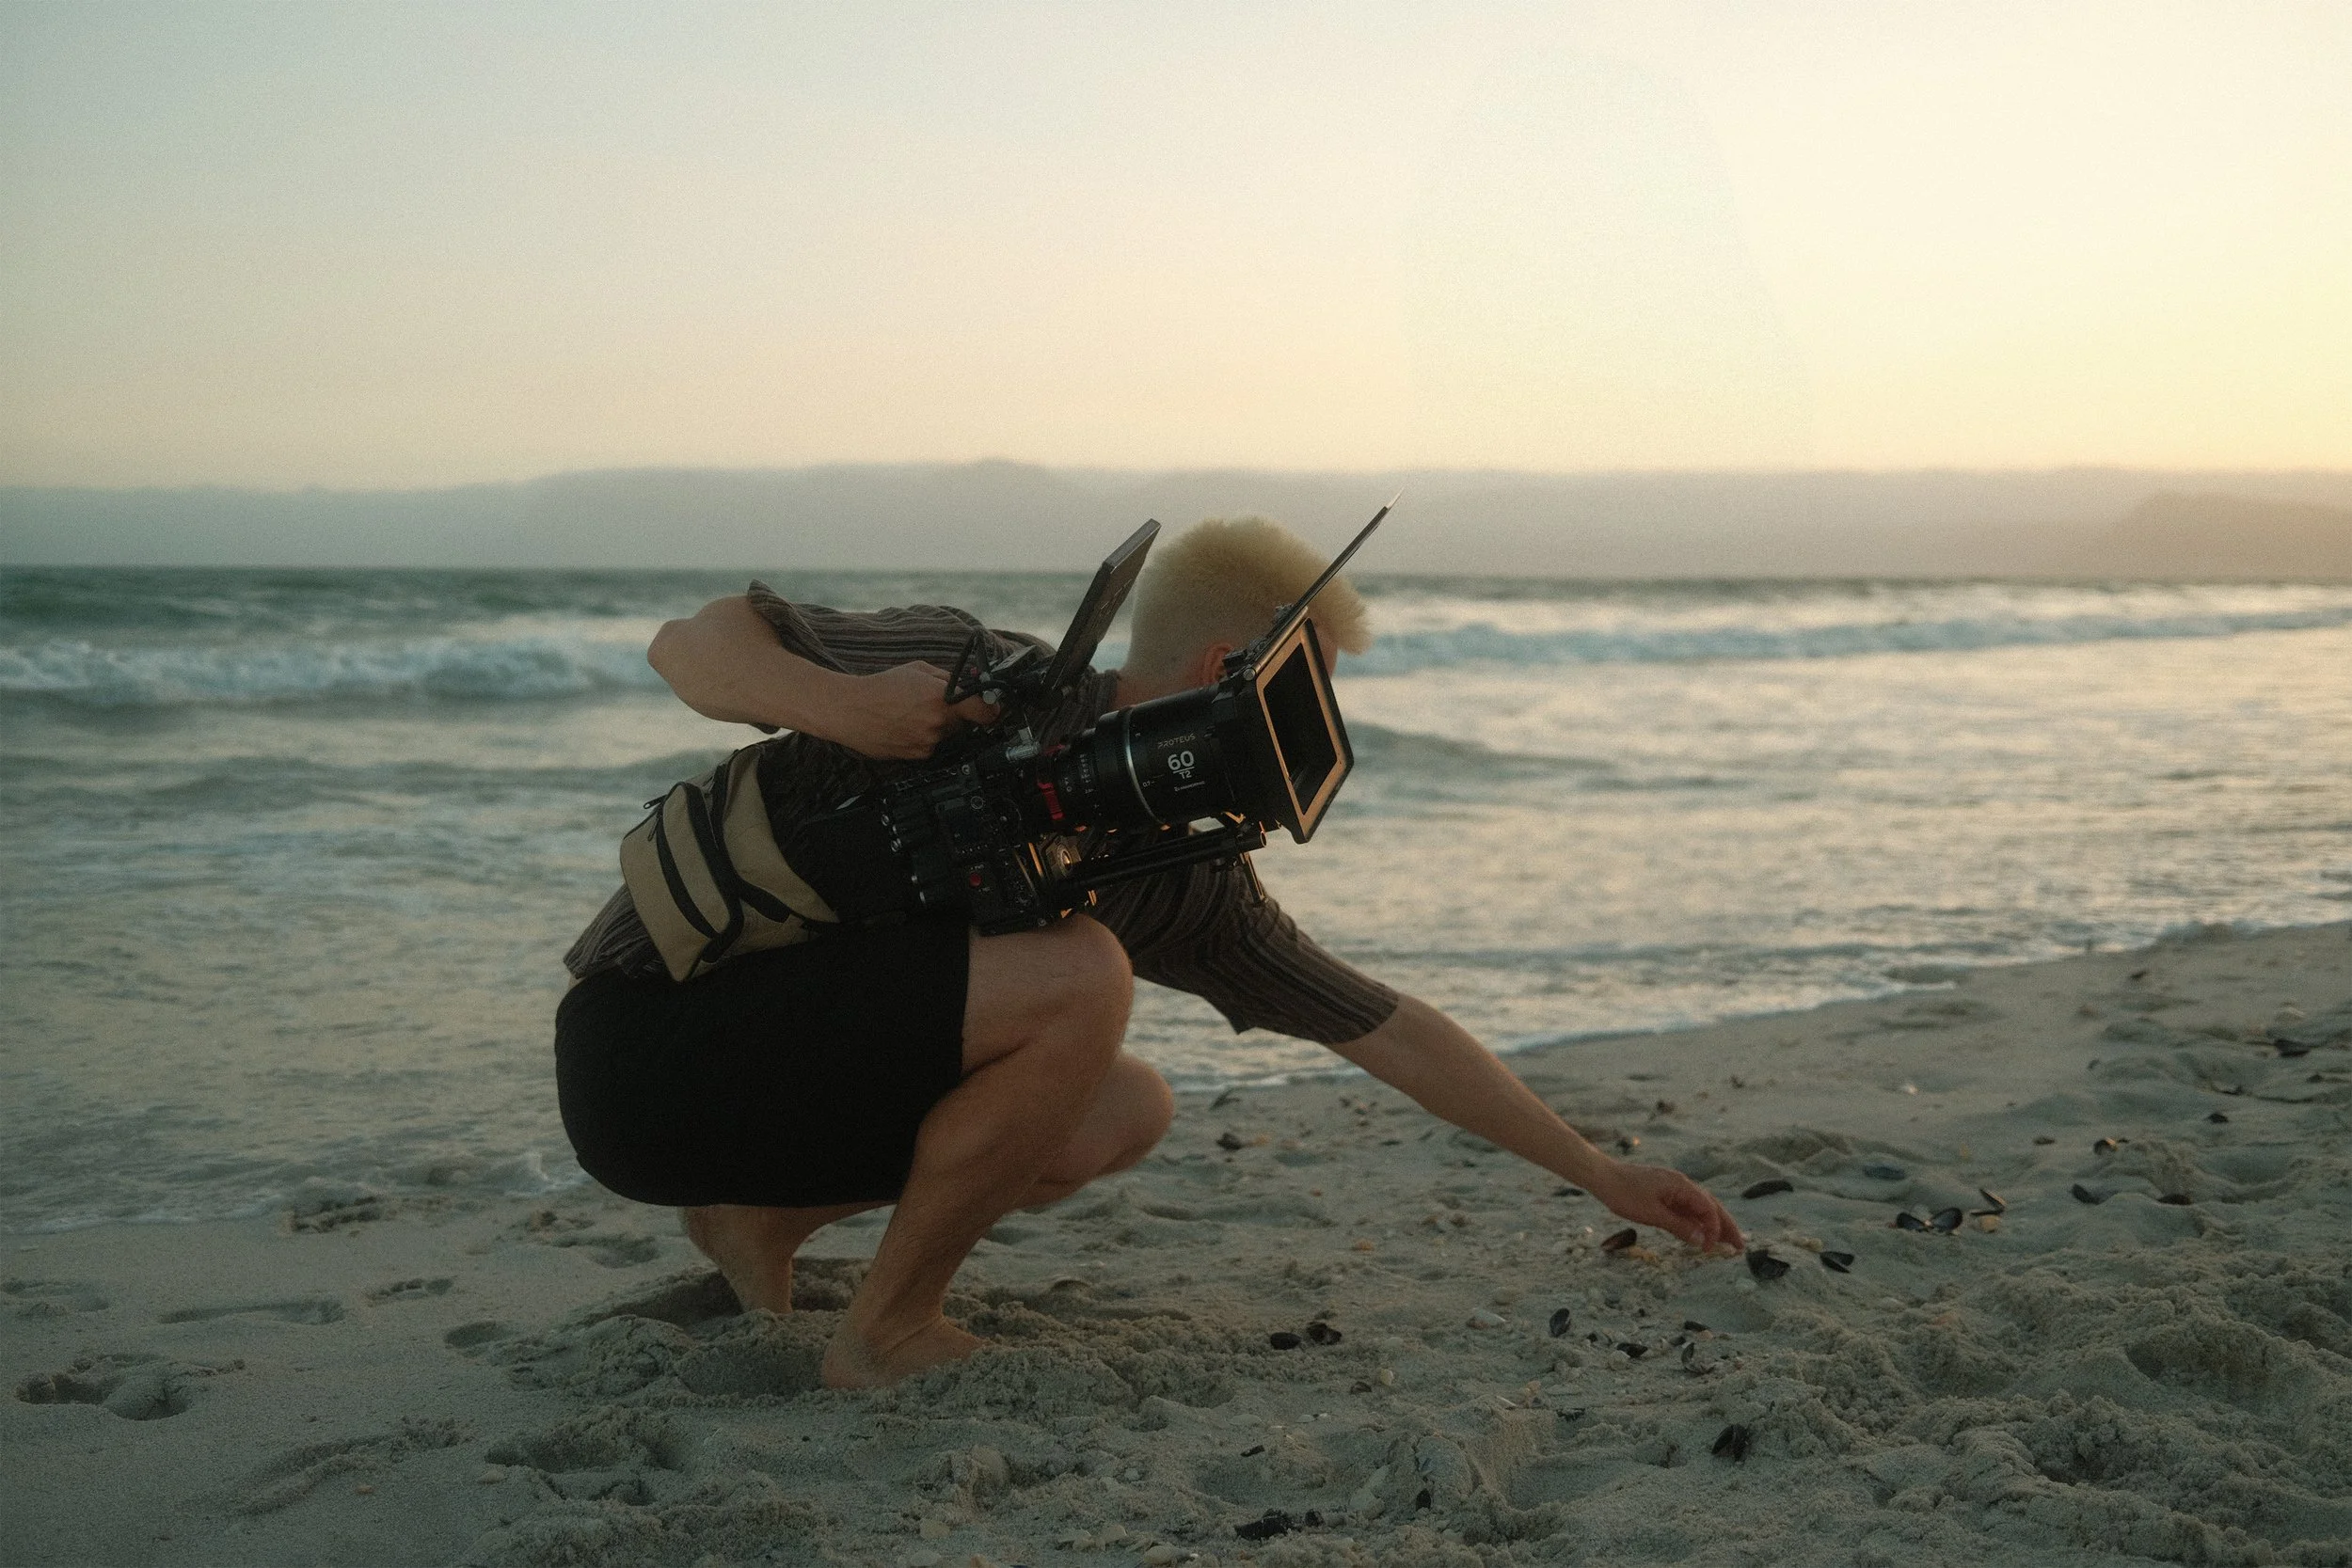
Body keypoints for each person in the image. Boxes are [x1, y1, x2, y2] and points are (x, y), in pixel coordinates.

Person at [555, 517, 1742, 1388]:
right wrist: (837, 705)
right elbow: (691, 644)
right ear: (1223, 667)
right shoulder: (982, 678)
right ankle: (886, 1334)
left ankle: (755, 1223)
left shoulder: (1184, 876)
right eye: (1300, 695)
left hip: (758, 1100)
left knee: (1119, 1103)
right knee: (1082, 978)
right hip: (638, 1053)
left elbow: (1384, 1027)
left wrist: (1598, 1171)